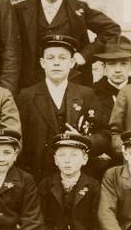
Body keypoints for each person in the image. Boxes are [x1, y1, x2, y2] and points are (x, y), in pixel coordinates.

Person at [13, 0, 121, 90]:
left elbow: (111, 30)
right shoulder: (21, 10)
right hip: (33, 84)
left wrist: (84, 55)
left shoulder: (78, 9)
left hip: (74, 82)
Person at [15, 34, 105, 181]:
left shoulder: (87, 94)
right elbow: (20, 138)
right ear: (42, 63)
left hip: (77, 176)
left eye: (62, 58)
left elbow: (104, 135)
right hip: (38, 176)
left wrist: (84, 140)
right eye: (51, 58)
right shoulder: (27, 95)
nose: (56, 63)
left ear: (71, 62)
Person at [88, 35, 131, 180]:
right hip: (100, 166)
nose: (117, 70)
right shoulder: (90, 93)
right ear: (104, 67)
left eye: (123, 63)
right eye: (111, 64)